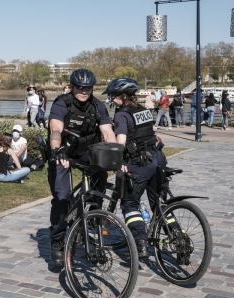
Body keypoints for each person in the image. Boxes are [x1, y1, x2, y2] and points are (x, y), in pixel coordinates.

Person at [46, 69, 117, 265]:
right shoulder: (62, 103)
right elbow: (56, 128)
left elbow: (107, 131)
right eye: (80, 87)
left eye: (88, 88)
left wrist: (115, 153)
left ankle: (93, 211)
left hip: (87, 151)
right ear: (72, 86)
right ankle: (58, 239)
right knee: (61, 196)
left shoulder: (98, 106)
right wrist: (56, 149)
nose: (84, 91)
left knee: (101, 175)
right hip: (63, 151)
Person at [103, 78, 167, 258]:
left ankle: (140, 242)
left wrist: (117, 159)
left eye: (113, 96)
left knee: (130, 203)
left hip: (140, 162)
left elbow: (121, 142)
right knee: (158, 203)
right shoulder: (144, 110)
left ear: (122, 96)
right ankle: (177, 235)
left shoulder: (122, 114)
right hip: (158, 158)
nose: (111, 100)